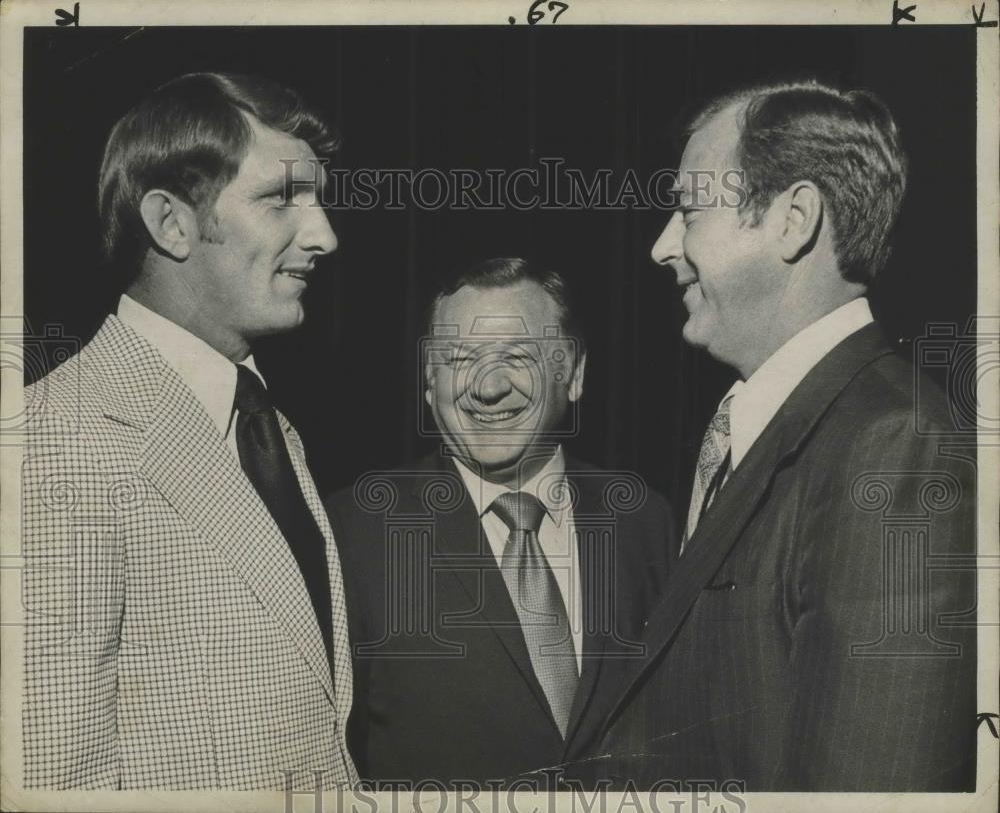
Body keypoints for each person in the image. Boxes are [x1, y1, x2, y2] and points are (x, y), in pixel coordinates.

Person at [567, 79, 978, 792]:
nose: (663, 247)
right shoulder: (764, 425)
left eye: (689, 209)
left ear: (794, 220)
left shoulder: (896, 444)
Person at [21, 72, 356, 790]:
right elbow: (54, 781)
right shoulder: (54, 438)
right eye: (280, 198)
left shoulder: (267, 424)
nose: (324, 234)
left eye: (320, 200)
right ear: (171, 224)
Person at [325, 257, 675, 788]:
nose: (488, 388)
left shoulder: (645, 519)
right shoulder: (355, 529)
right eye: (460, 359)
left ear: (574, 375)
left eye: (518, 356)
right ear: (428, 383)